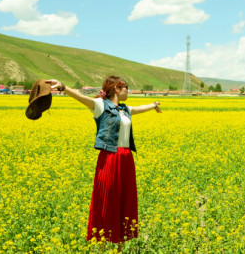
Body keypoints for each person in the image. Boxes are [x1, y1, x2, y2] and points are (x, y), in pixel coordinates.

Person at [46, 76, 161, 250]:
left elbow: (139, 109)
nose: (128, 91)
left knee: (124, 200)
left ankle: (120, 246)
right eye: (126, 88)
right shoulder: (101, 106)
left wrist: (153, 105)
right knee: (107, 199)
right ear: (117, 89)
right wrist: (63, 86)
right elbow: (81, 98)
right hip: (110, 158)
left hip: (126, 159)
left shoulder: (125, 109)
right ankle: (102, 244)